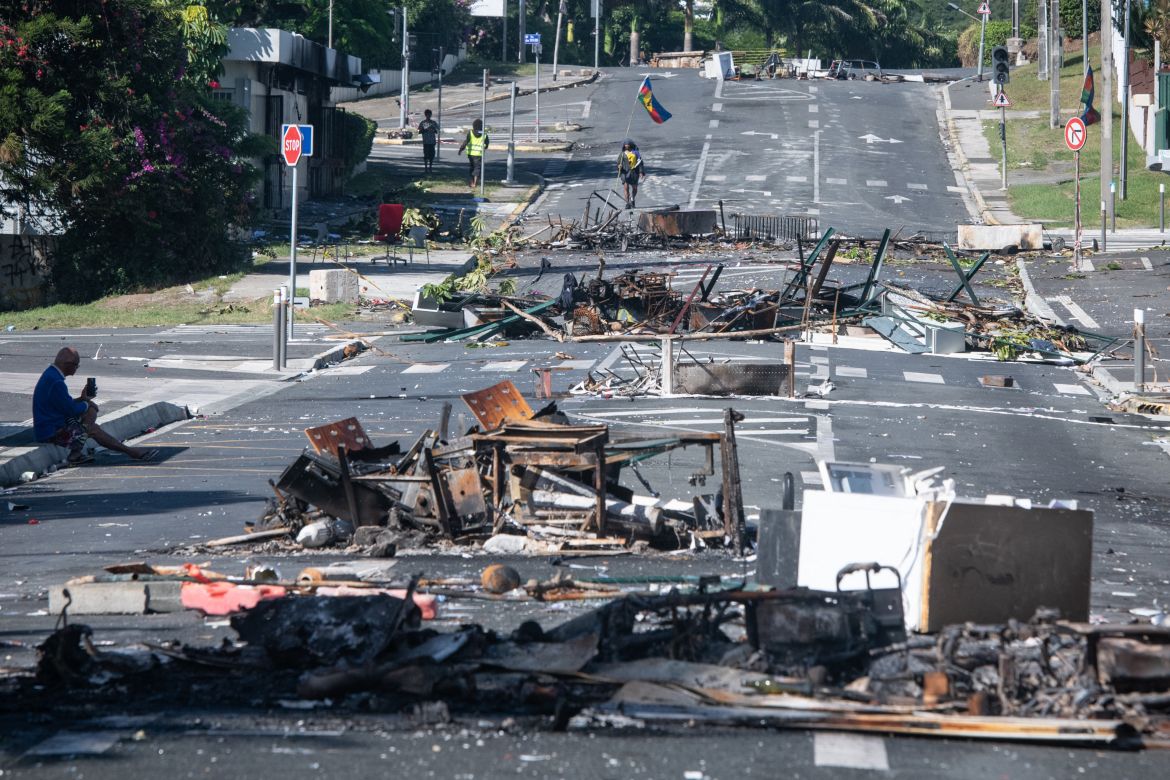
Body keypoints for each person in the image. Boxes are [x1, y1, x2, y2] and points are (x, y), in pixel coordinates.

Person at [33, 347, 155, 464]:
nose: (76, 369)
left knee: (90, 417)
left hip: (51, 424)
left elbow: (61, 405)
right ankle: (131, 452)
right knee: (91, 419)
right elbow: (70, 410)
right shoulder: (56, 382)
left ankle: (77, 452)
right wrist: (87, 404)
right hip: (51, 431)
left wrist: (82, 399)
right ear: (68, 364)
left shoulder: (50, 375)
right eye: (76, 365)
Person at [457, 118, 489, 190]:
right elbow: (487, 143)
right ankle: (475, 182)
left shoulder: (471, 133)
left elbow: (466, 142)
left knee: (472, 167)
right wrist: (485, 147)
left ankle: (471, 182)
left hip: (471, 154)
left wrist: (461, 149)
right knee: (477, 168)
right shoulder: (484, 134)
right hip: (479, 154)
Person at [617, 139, 646, 209]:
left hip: (634, 172)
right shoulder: (622, 154)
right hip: (625, 172)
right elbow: (618, 163)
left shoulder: (636, 153)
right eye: (625, 144)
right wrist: (619, 166)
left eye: (628, 144)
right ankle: (627, 203)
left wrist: (641, 172)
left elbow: (640, 163)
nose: (626, 145)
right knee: (626, 188)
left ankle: (632, 198)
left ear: (630, 145)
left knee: (634, 188)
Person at [417, 109, 440, 174]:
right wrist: (424, 130)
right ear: (425, 115)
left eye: (429, 114)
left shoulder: (433, 122)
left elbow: (438, 130)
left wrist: (433, 129)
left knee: (432, 155)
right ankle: (426, 168)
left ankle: (430, 167)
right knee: (426, 155)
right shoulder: (423, 123)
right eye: (427, 115)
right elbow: (418, 131)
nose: (428, 116)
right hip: (426, 141)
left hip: (432, 141)